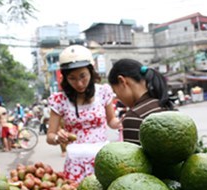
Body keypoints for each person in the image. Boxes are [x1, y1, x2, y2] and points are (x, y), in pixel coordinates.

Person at [46, 45, 120, 182]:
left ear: (91, 72)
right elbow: (50, 136)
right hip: (75, 164)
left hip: (102, 160)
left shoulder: (103, 92)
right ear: (65, 78)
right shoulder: (59, 100)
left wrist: (121, 122)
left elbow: (112, 121)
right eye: (72, 78)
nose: (79, 83)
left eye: (83, 76)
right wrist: (58, 138)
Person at [108, 58, 173, 145]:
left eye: (115, 91)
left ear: (122, 81)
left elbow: (134, 158)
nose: (118, 98)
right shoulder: (166, 105)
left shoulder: (134, 116)